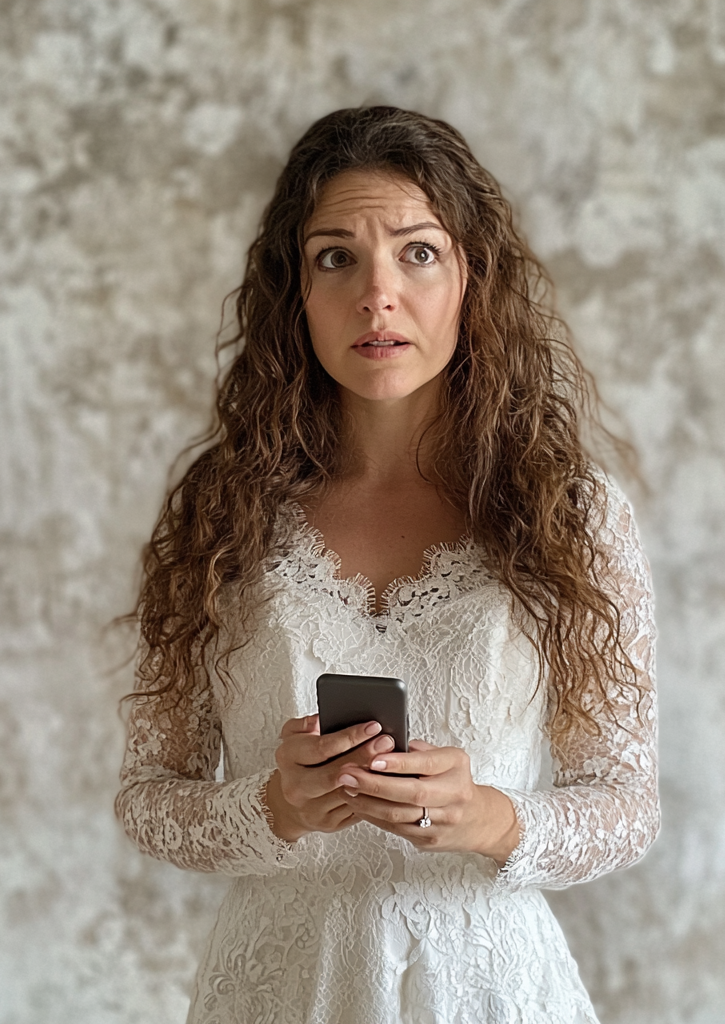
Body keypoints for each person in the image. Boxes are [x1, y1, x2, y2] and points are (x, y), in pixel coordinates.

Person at [115, 105, 659, 1024]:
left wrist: (490, 818)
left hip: (490, 989)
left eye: (417, 253)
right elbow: (148, 797)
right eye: (337, 257)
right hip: (281, 989)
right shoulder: (223, 510)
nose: (378, 296)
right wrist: (274, 807)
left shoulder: (571, 513)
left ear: (470, 280)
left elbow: (628, 806)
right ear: (296, 291)